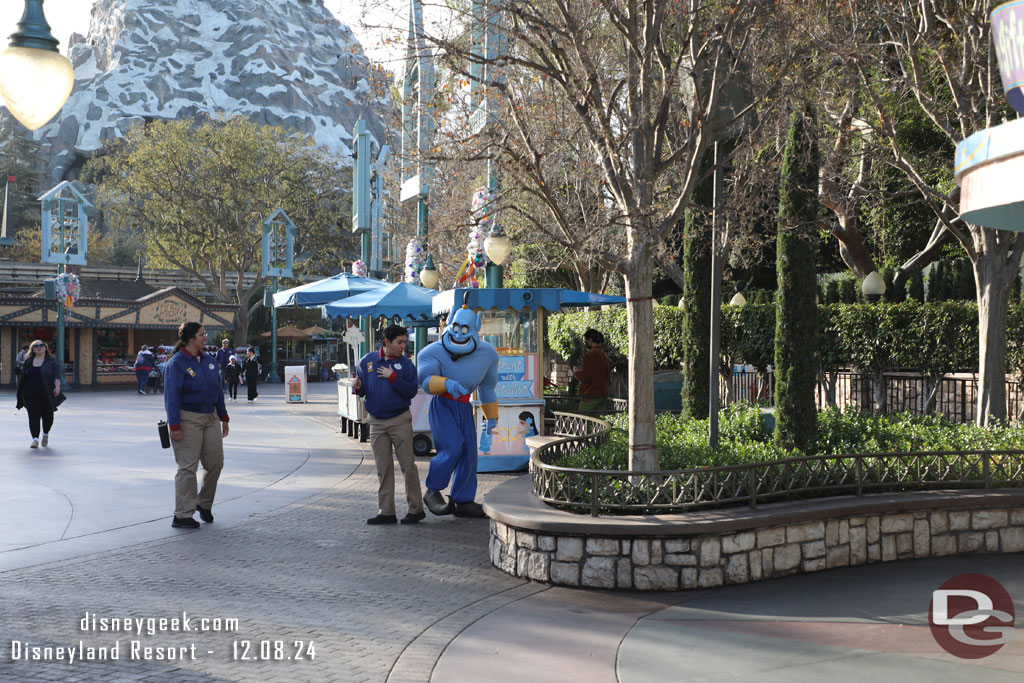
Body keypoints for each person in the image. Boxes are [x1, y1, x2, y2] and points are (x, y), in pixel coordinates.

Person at [417, 292, 499, 518]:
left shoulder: (488, 354)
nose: (459, 333)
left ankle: (463, 500)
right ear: (449, 324)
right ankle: (432, 490)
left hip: (465, 407)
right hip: (443, 404)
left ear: (475, 329)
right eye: (456, 327)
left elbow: (487, 388)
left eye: (465, 329)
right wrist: (447, 384)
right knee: (452, 447)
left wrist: (491, 417)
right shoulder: (432, 352)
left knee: (468, 454)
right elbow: (424, 382)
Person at [352, 324, 425, 525]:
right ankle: (386, 511)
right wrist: (358, 387)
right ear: (386, 342)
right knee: (383, 467)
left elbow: (411, 391)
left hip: (399, 420)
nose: (403, 346)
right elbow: (362, 387)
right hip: (376, 422)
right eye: (399, 342)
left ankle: (416, 509)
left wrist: (392, 376)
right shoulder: (368, 361)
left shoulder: (407, 365)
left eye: (404, 342)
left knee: (407, 466)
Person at [164, 321, 229, 529]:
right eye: (202, 334)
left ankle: (203, 503)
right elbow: (171, 396)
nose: (205, 337)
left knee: (216, 463)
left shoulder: (208, 360)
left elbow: (217, 390)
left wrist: (223, 416)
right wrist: (174, 425)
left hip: (210, 417)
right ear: (191, 338)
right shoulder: (177, 363)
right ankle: (182, 514)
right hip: (187, 419)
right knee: (187, 467)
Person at [15, 340, 62, 449]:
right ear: (33, 349)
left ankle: (45, 434)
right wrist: (19, 372)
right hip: (30, 393)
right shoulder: (28, 361)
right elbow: (25, 374)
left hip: (47, 393)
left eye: (41, 345)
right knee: (33, 416)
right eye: (36, 346)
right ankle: (35, 439)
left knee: (48, 417)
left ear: (45, 348)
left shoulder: (51, 361)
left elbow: (56, 376)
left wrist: (57, 386)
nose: (39, 347)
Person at [573, 328, 610, 412]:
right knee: (598, 423)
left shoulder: (590, 355)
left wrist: (576, 372)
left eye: (586, 340)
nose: (585, 343)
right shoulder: (604, 355)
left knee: (581, 421)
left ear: (590, 340)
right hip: (602, 394)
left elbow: (585, 376)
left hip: (590, 395)